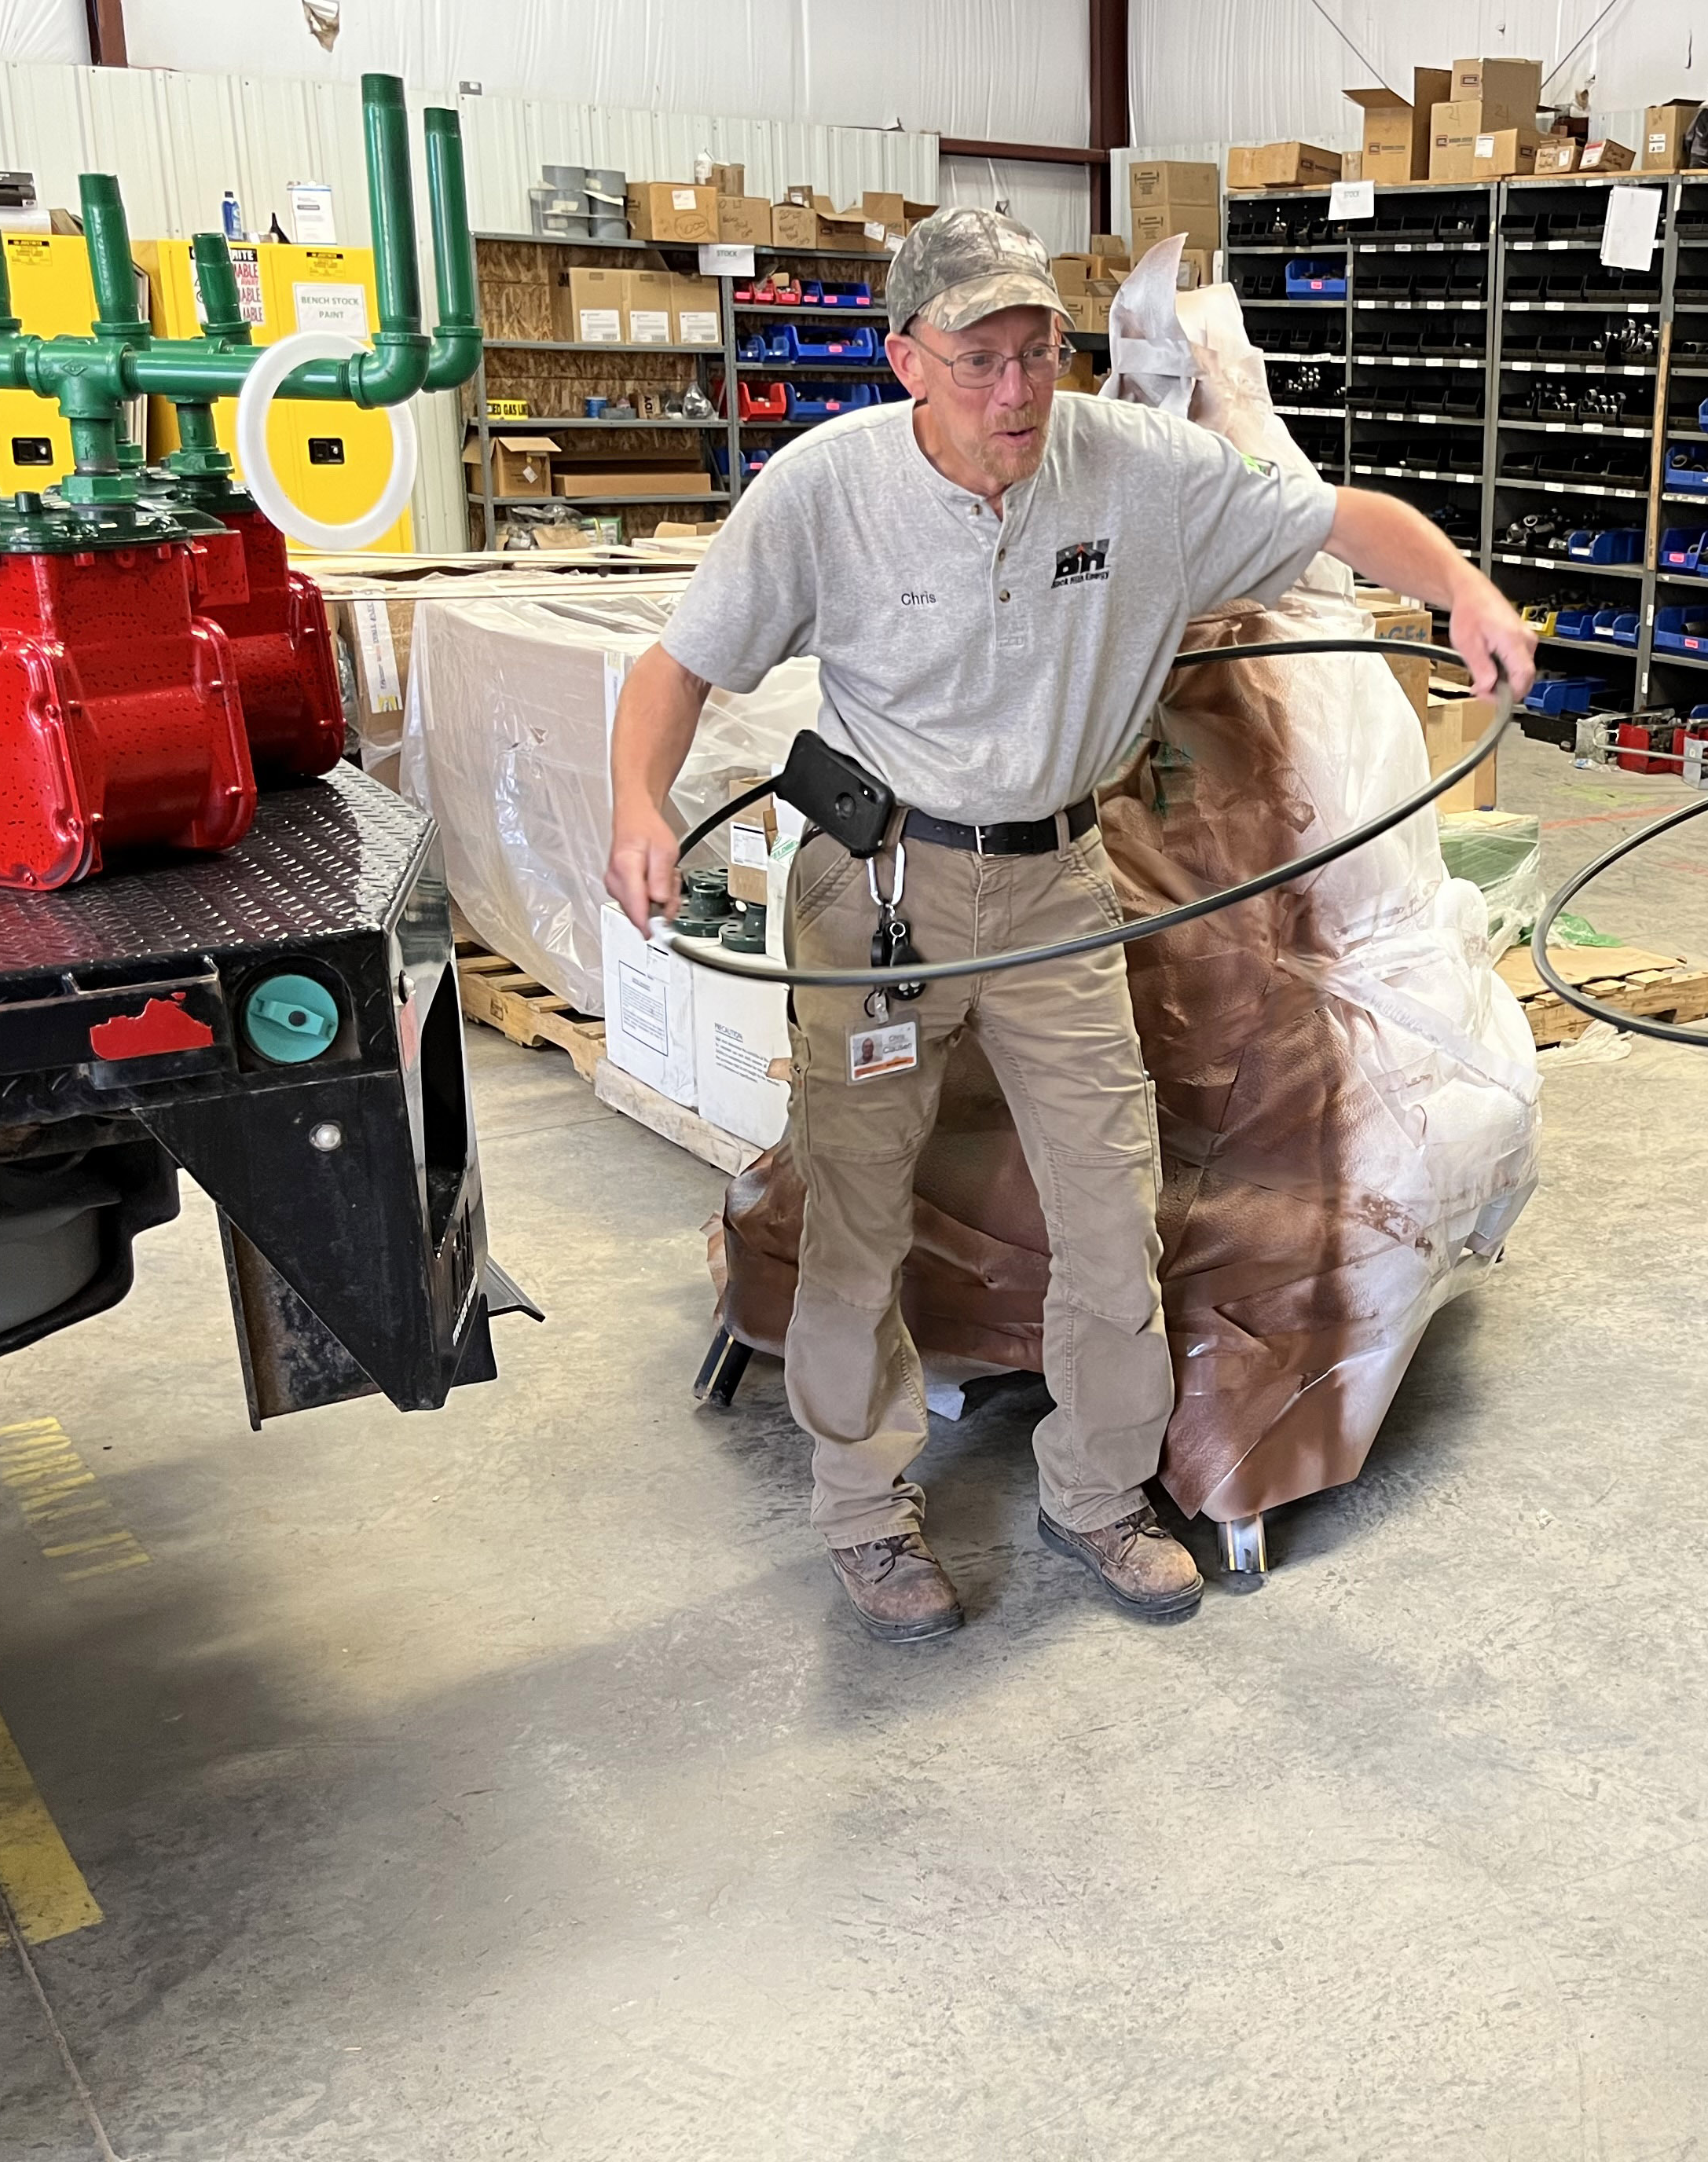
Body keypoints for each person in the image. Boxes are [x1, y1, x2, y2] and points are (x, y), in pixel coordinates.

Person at [606, 210, 1533, 1647]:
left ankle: (1099, 1490)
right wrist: (639, 809)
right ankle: (863, 1509)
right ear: (907, 359)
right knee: (859, 1208)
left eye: (1039, 352)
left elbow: (1335, 517)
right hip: (885, 895)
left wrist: (1462, 587)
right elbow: (680, 667)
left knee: (1113, 1202)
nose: (1017, 390)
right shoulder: (819, 492)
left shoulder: (1133, 469)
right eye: (979, 358)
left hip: (1056, 890)